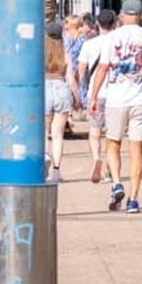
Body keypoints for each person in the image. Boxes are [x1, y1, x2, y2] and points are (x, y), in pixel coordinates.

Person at [86, 0, 142, 213]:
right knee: (137, 148)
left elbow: (102, 68)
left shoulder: (113, 37)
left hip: (116, 99)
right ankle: (133, 198)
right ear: (140, 15)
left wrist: (93, 97)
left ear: (122, 15)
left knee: (113, 143)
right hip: (141, 98)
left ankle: (117, 183)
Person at [77, 10, 114, 181]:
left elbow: (81, 68)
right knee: (112, 134)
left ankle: (96, 157)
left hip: (95, 92)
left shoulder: (89, 44)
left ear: (97, 24)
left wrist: (80, 88)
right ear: (114, 23)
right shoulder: (117, 42)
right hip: (115, 93)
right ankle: (108, 167)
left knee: (94, 132)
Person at [45, 32, 74, 175]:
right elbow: (71, 79)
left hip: (44, 89)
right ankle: (57, 171)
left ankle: (44, 157)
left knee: (43, 133)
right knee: (58, 135)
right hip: (61, 88)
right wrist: (77, 98)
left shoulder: (41, 55)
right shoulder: (65, 55)